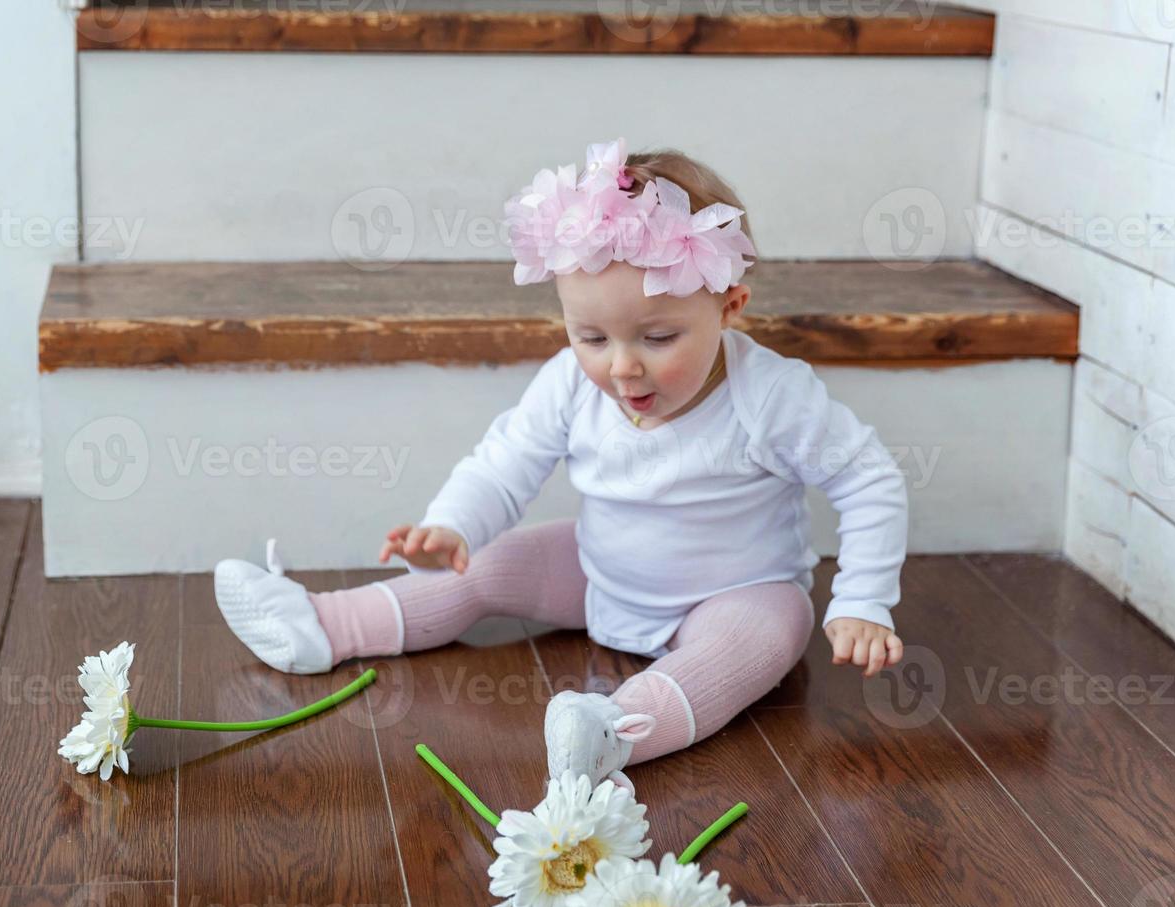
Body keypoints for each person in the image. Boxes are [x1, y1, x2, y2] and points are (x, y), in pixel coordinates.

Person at [213, 138, 909, 788]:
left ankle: (614, 731)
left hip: (736, 590)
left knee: (752, 645)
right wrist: (453, 525)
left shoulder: (773, 397)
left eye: (659, 336)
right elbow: (505, 462)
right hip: (600, 569)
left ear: (730, 306)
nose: (622, 364)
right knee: (484, 566)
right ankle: (322, 625)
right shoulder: (572, 383)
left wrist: (863, 601)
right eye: (591, 336)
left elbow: (868, 479)